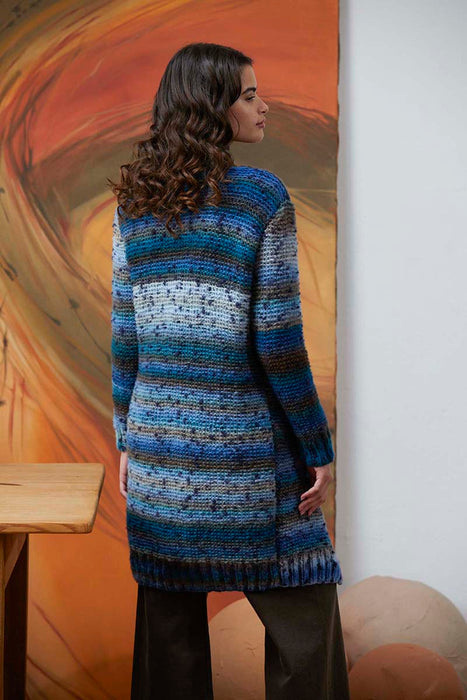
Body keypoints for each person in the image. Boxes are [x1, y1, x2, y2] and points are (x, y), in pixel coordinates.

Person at [108, 42, 350, 700]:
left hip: (158, 457)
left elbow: (126, 338)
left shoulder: (134, 204)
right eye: (248, 95)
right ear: (211, 107)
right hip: (247, 459)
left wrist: (128, 437)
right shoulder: (260, 197)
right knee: (305, 630)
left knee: (168, 640)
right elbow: (277, 342)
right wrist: (316, 447)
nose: (263, 105)